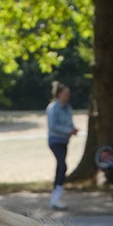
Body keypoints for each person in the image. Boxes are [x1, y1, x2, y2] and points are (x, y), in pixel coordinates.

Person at [45, 82, 78, 210]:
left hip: (64, 141)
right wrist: (68, 131)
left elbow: (70, 122)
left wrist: (73, 129)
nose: (67, 96)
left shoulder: (68, 108)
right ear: (59, 94)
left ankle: (56, 196)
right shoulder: (53, 108)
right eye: (65, 94)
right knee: (62, 165)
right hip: (55, 141)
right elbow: (53, 126)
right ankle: (56, 197)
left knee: (61, 167)